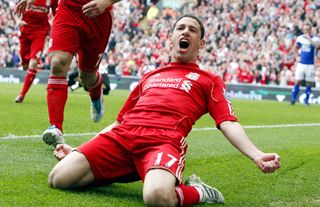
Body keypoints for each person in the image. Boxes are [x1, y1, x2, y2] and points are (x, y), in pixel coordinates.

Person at [48, 14, 281, 206]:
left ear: (200, 44)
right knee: (58, 178)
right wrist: (81, 149)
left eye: (192, 29)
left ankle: (199, 191)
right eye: (180, 28)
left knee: (156, 198)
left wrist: (257, 154)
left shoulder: (209, 80)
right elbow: (120, 123)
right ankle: (129, 168)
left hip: (162, 142)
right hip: (123, 137)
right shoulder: (150, 76)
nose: (185, 32)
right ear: (171, 38)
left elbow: (228, 122)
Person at [15, 0, 122, 146]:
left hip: (98, 14)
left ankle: (96, 93)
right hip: (68, 10)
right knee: (58, 63)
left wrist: (106, 2)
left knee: (87, 75)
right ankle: (56, 127)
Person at [14, 0, 58, 103]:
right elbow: (15, 10)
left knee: (33, 63)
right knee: (25, 65)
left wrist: (55, 25)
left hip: (39, 34)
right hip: (25, 31)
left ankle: (21, 95)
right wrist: (17, 21)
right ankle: (29, 71)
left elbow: (56, 13)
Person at [290, 22, 320, 105]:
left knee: (309, 82)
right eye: (304, 29)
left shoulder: (316, 39)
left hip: (311, 64)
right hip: (301, 63)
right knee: (297, 81)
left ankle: (306, 101)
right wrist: (297, 56)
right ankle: (293, 100)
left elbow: (317, 47)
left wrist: (309, 39)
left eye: (307, 29)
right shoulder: (300, 38)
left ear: (310, 30)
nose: (305, 31)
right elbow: (295, 48)